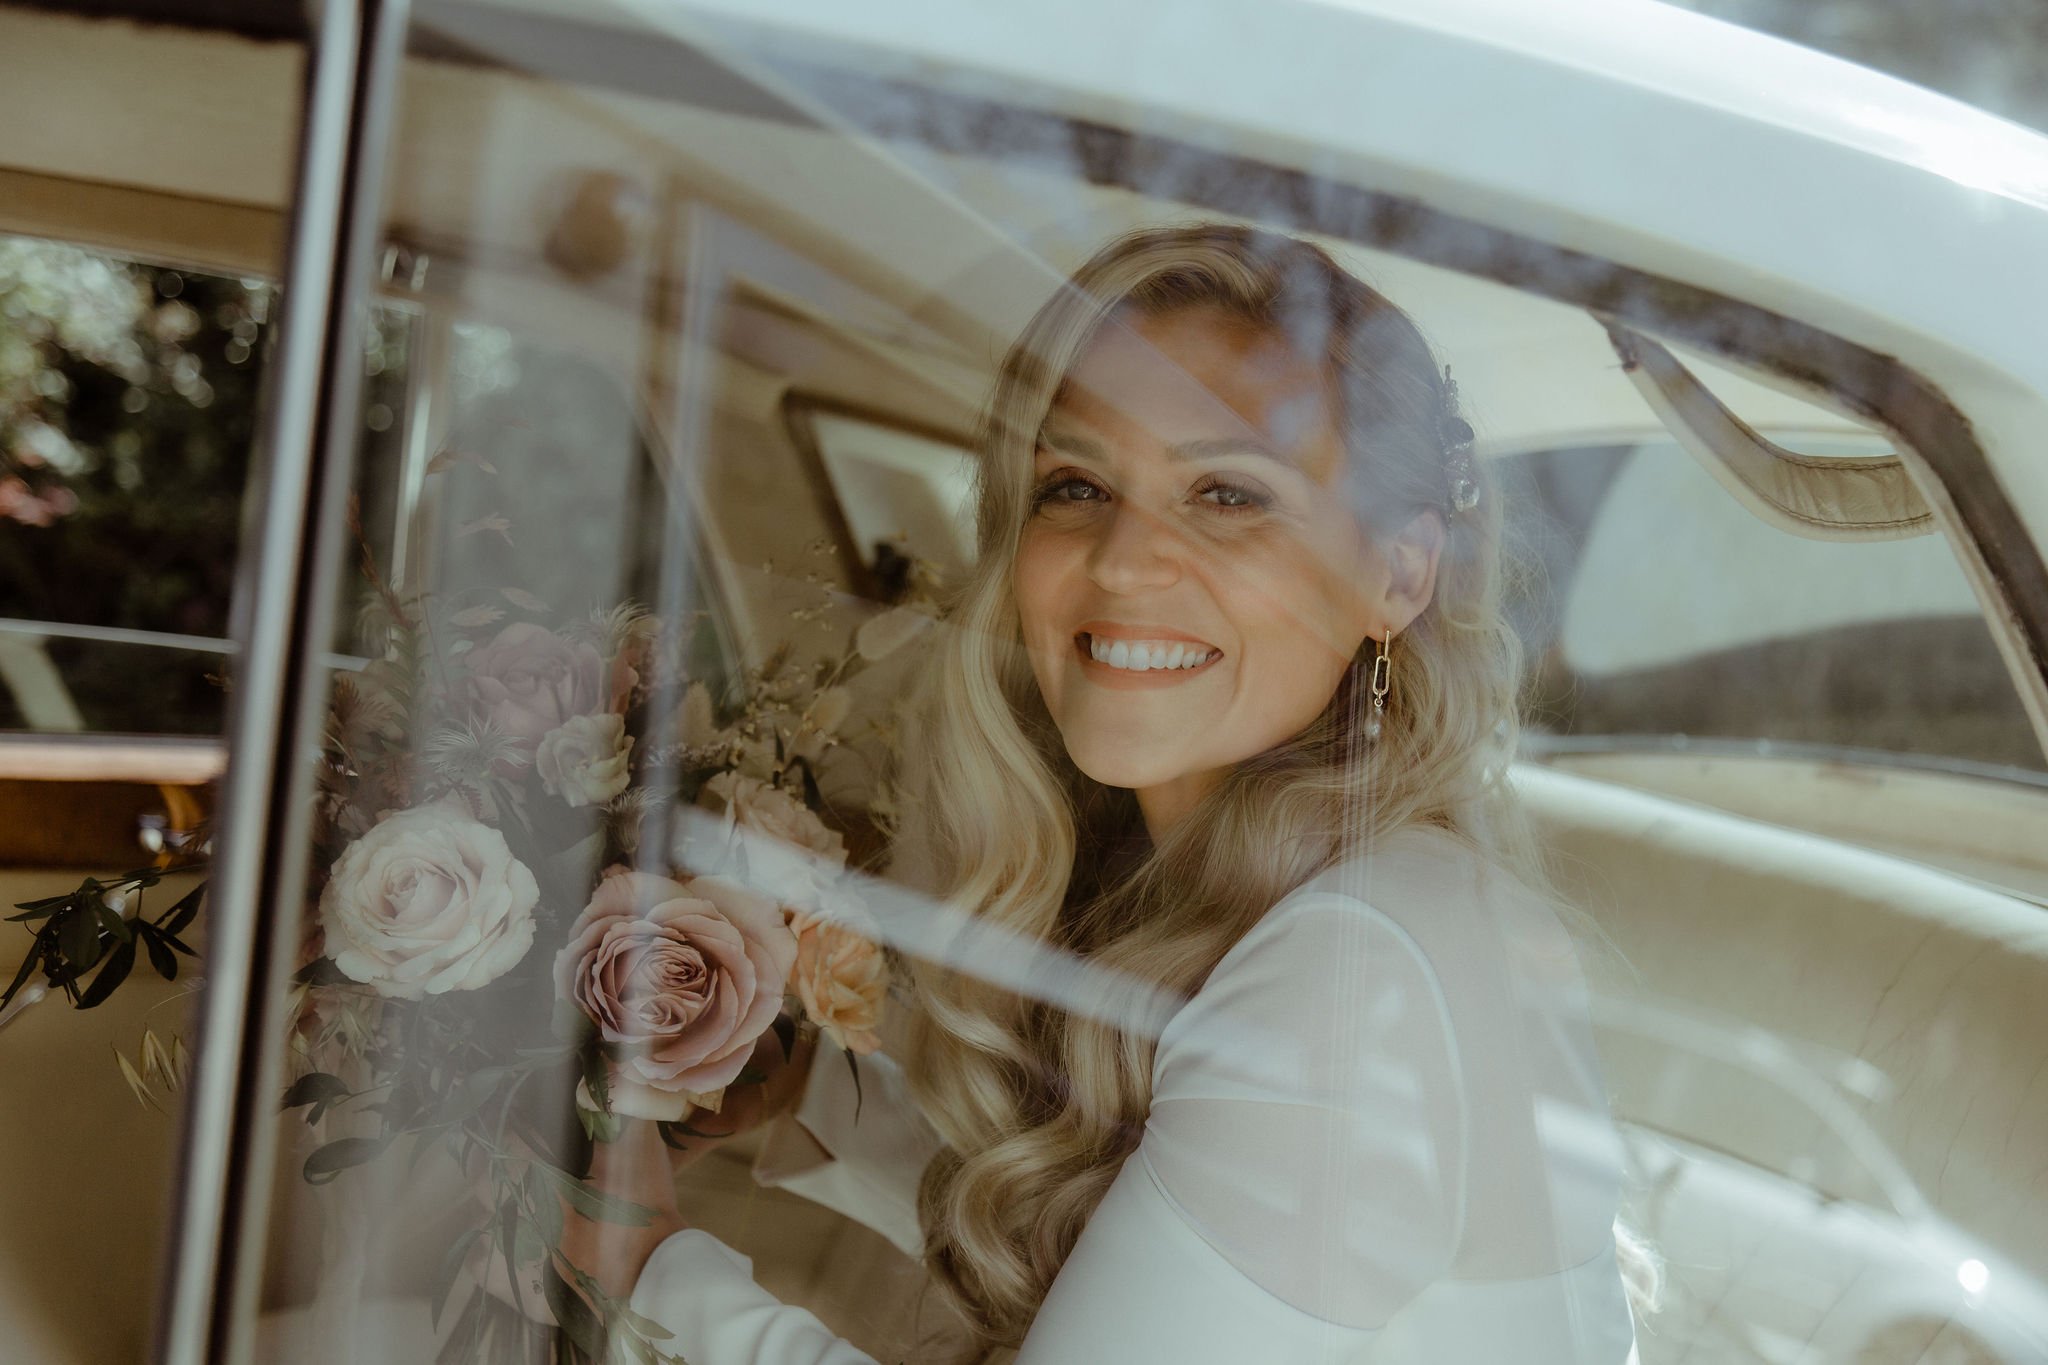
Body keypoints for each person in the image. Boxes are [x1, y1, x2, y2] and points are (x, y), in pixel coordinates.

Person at [564, 223, 1656, 1362]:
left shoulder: (1357, 970)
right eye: (1075, 484)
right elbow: (1137, 1256)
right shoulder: (1282, 896)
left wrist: (648, 1270)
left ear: (1396, 572)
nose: (1126, 560)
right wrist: (810, 1102)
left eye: (1229, 494)